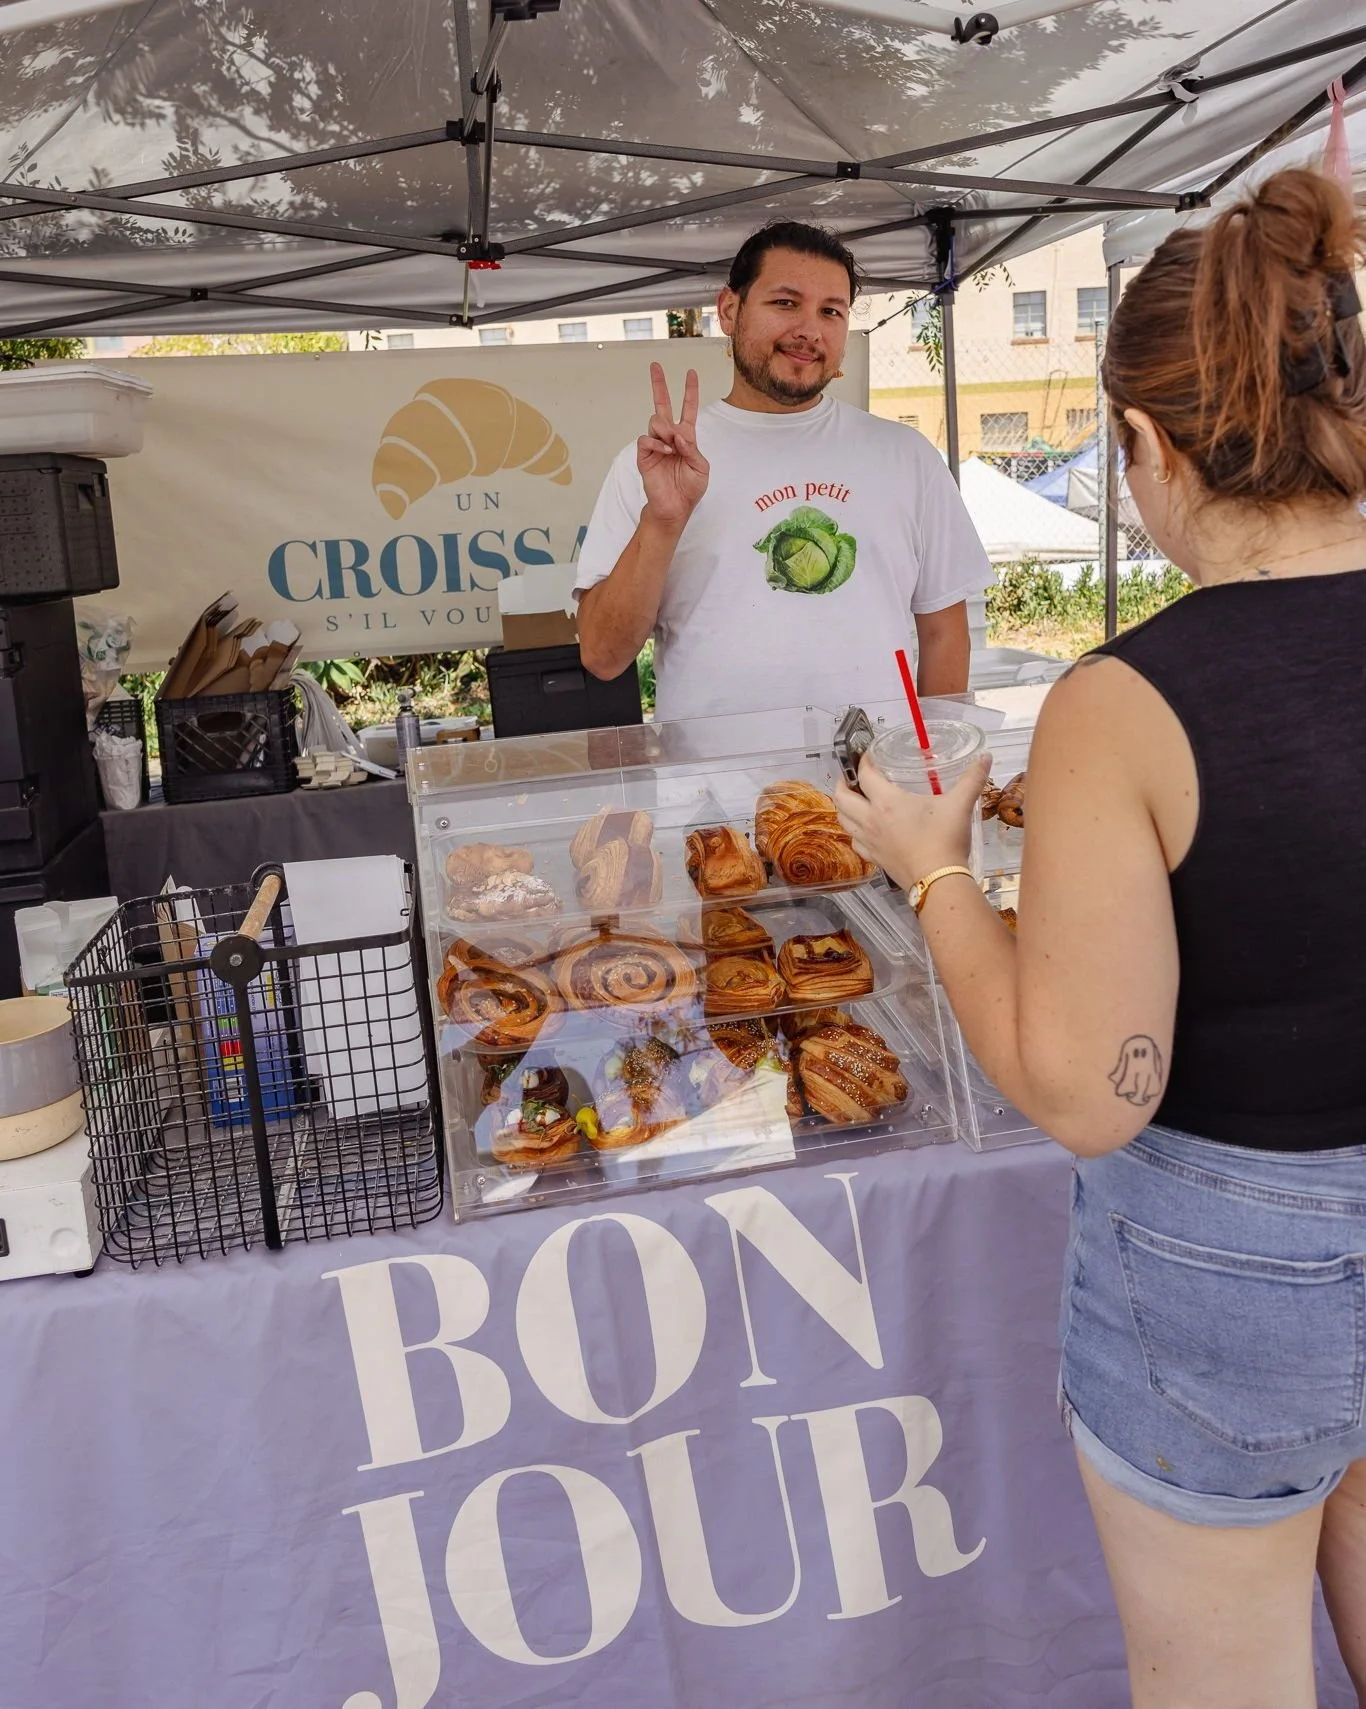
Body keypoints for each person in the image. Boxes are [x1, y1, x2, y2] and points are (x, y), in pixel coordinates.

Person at [836, 167, 1366, 1709]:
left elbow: (1087, 1087)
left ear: (1141, 443)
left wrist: (939, 874)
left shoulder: (1123, 702)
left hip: (1230, 1259)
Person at [574, 220, 990, 723]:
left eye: (830, 311)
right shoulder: (658, 464)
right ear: (730, 309)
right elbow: (601, 656)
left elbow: (945, 631)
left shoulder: (904, 456)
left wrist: (929, 775)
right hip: (713, 793)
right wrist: (662, 522)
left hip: (871, 788)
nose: (810, 330)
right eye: (785, 303)